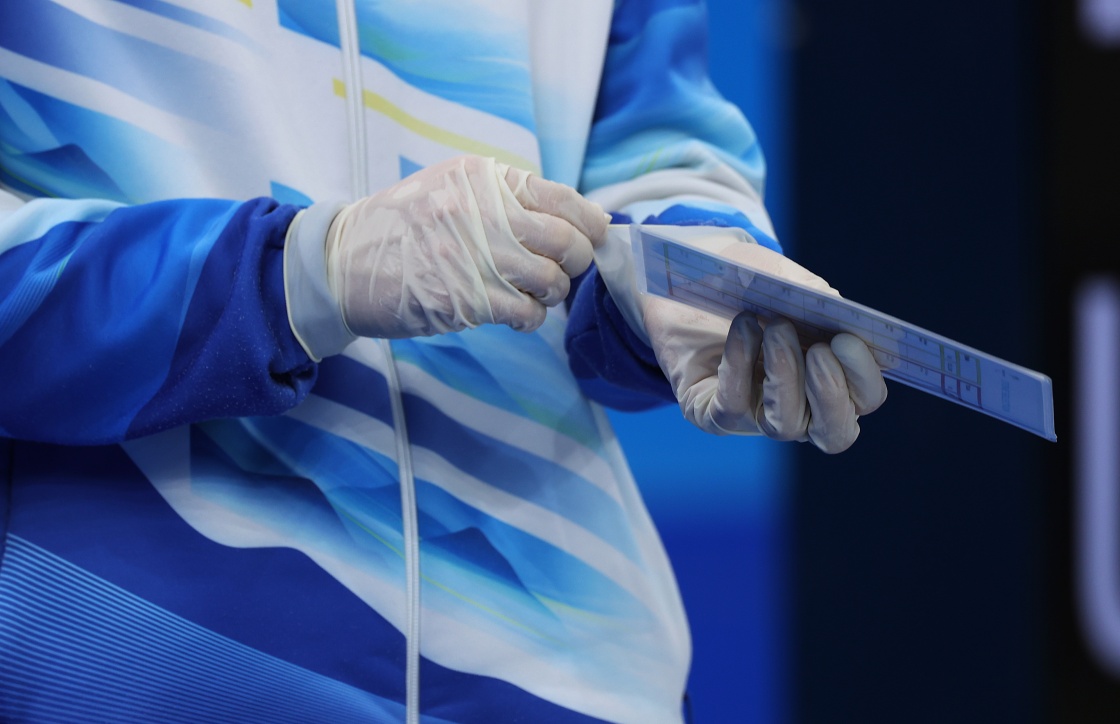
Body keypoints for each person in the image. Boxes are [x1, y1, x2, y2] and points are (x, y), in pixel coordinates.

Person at [0, 1, 886, 722]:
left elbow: (656, 144)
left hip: (576, 681)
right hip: (132, 667)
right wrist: (303, 272)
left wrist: (691, 261)